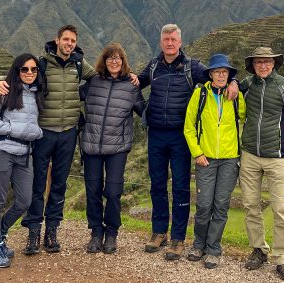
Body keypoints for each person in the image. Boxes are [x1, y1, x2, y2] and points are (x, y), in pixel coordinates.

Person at [136, 24, 238, 261]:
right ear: (161, 42)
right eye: (166, 39)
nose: (169, 43)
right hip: (157, 135)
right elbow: (133, 85)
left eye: (173, 39)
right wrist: (143, 111)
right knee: (158, 185)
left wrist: (233, 81)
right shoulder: (153, 66)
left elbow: (219, 76)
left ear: (180, 42)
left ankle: (178, 238)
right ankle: (159, 232)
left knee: (181, 187)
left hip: (181, 137)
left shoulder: (193, 67)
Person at [0, 25, 97, 255]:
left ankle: (52, 231)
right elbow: (17, 74)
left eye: (73, 41)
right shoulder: (41, 64)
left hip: (69, 132)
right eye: (66, 40)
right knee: (38, 184)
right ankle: (33, 232)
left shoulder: (78, 64)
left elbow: (98, 77)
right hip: (43, 132)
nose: (69, 44)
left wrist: (126, 76)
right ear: (57, 40)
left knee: (59, 183)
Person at [239, 47, 284, 282]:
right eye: (258, 62)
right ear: (253, 65)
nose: (262, 65)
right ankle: (258, 249)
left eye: (267, 62)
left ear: (274, 63)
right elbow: (227, 84)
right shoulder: (247, 84)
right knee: (250, 205)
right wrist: (233, 85)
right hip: (250, 155)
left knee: (281, 209)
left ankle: (283, 258)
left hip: (278, 156)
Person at [0, 53, 45, 268]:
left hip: (24, 153)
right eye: (24, 69)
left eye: (34, 69)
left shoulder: (38, 93)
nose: (29, 73)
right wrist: (13, 130)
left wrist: (34, 133)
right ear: (17, 71)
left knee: (24, 200)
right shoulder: (4, 91)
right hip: (1, 150)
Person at [80, 43, 145, 254]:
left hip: (117, 148)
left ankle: (111, 233)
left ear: (123, 61)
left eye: (118, 58)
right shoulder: (93, 82)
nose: (114, 61)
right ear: (104, 61)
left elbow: (144, 112)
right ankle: (96, 233)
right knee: (93, 192)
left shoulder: (132, 86)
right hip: (91, 146)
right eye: (110, 58)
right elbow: (68, 96)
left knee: (114, 192)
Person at [183, 54, 245, 269]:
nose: (221, 75)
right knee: (203, 205)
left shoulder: (236, 97)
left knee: (221, 205)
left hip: (229, 159)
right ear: (210, 74)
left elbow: (248, 118)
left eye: (225, 72)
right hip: (206, 159)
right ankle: (198, 244)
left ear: (229, 75)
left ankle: (213, 248)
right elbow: (189, 126)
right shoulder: (200, 95)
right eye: (217, 72)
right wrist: (197, 153)